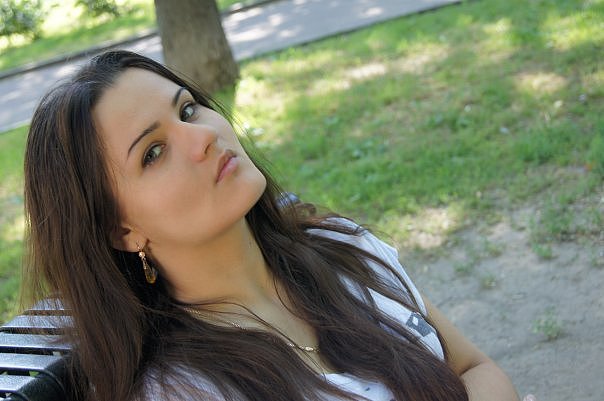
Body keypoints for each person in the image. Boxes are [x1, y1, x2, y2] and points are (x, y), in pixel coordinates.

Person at [23, 50, 521, 401]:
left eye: (188, 109)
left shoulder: (339, 246)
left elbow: (474, 367)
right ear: (120, 230)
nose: (201, 137)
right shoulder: (183, 389)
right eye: (153, 152)